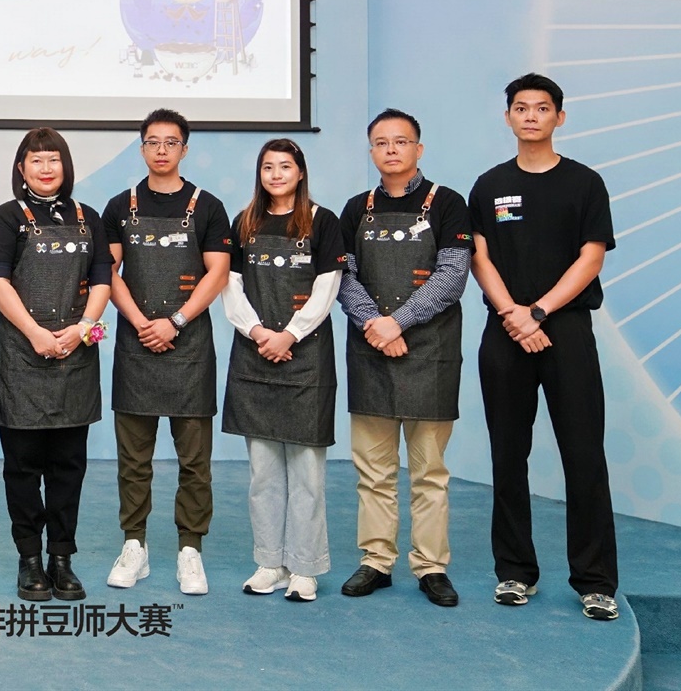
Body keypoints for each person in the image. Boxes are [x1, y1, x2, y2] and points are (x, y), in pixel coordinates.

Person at [468, 73, 619, 621]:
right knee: (508, 455)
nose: (530, 115)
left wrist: (538, 312)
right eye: (521, 107)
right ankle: (514, 572)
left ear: (560, 117)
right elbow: (479, 256)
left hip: (566, 330)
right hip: (505, 331)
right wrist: (513, 313)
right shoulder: (488, 185)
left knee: (584, 455)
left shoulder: (585, 183)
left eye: (542, 108)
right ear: (508, 116)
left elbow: (591, 258)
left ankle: (595, 581)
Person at [336, 109, 471, 608]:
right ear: (371, 150)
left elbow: (452, 275)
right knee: (373, 470)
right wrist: (376, 324)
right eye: (381, 142)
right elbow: (343, 277)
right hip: (371, 352)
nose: (391, 149)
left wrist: (399, 322)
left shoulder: (448, 203)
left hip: (429, 353)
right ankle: (376, 560)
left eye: (401, 141)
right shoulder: (356, 208)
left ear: (419, 148)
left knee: (429, 471)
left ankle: (431, 566)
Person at [101, 109, 232, 596]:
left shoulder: (208, 206)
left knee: (194, 461)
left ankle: (189, 548)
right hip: (136, 346)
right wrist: (141, 323)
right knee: (133, 460)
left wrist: (175, 321)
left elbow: (218, 273)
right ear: (142, 148)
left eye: (170, 142)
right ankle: (134, 545)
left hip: (189, 347)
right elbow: (107, 272)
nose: (161, 150)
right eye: (152, 142)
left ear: (184, 149)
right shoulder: (120, 206)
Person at [0, 128, 113, 603]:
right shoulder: (6, 217)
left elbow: (102, 277)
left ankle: (61, 558)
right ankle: (29, 559)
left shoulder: (88, 218)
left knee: (68, 465)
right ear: (21, 168)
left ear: (66, 166)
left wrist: (83, 328)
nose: (45, 168)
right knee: (22, 466)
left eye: (53, 159)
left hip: (75, 352)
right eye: (35, 160)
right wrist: (35, 333)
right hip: (20, 354)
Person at [220, 139, 345, 602]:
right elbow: (229, 286)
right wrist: (258, 333)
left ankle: (305, 568)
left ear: (300, 172)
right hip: (255, 355)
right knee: (264, 472)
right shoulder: (244, 223)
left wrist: (289, 334)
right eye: (268, 167)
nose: (276, 174)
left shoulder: (322, 221)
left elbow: (327, 287)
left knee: (307, 472)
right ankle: (270, 562)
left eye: (285, 166)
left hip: (305, 359)